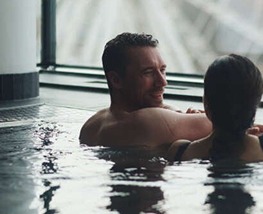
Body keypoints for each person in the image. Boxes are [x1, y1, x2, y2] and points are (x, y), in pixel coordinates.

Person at [79, 32, 215, 149]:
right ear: (116, 80)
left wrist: (180, 115)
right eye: (148, 72)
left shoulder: (91, 126)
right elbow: (225, 121)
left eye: (162, 70)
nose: (163, 82)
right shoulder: (146, 123)